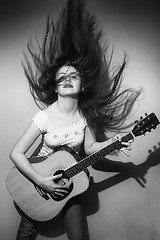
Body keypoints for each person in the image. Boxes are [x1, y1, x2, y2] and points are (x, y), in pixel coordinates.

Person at [9, 0, 141, 239]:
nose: (68, 78)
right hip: (37, 184)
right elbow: (15, 153)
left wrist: (115, 142)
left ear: (82, 87)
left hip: (72, 181)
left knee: (79, 237)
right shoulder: (45, 116)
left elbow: (90, 148)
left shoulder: (86, 116)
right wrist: (42, 181)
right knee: (26, 232)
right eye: (62, 77)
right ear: (56, 88)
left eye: (74, 76)